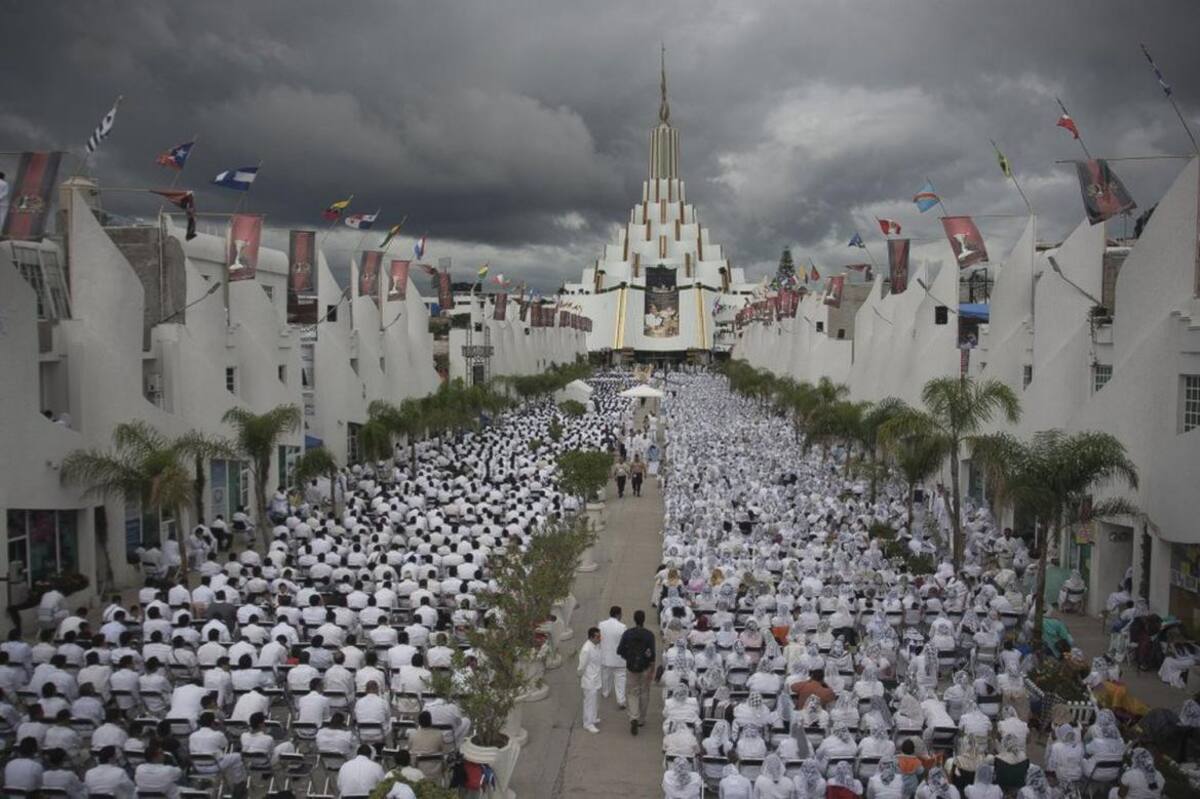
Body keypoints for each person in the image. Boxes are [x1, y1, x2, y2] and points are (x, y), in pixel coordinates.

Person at [616, 609, 656, 735]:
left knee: (632, 693)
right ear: (644, 620)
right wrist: (651, 670)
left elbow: (620, 650)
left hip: (631, 668)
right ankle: (641, 719)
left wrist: (628, 657)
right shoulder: (649, 635)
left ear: (634, 619)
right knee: (644, 693)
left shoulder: (628, 633)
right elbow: (652, 655)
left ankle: (634, 716)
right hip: (645, 668)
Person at [599, 605, 627, 708]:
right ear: (618, 614)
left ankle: (605, 692)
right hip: (619, 659)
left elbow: (599, 639)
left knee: (605, 676)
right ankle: (621, 700)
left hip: (605, 657)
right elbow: (625, 643)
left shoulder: (601, 625)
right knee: (620, 680)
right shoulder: (622, 627)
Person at [577, 626, 602, 733]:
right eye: (597, 637)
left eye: (600, 636)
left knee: (595, 701)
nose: (600, 638)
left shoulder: (596, 645)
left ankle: (593, 718)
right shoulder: (586, 649)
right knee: (589, 702)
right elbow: (581, 667)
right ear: (591, 637)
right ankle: (588, 723)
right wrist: (581, 676)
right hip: (589, 680)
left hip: (596, 678)